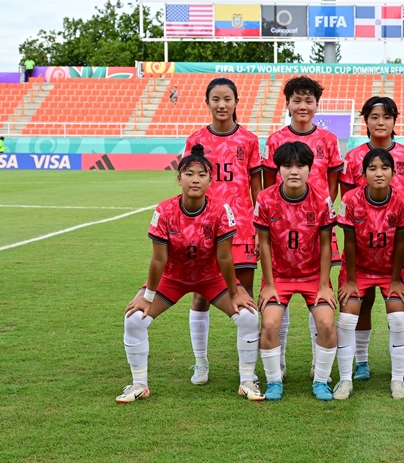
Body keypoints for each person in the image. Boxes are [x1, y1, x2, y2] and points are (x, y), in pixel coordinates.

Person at [116, 145, 262, 403]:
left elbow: (224, 257)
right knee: (134, 319)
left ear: (210, 180)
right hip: (172, 278)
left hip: (211, 277)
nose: (195, 179)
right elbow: (159, 258)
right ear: (179, 178)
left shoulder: (221, 210)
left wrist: (234, 292)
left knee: (249, 316)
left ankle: (247, 381)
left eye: (202, 174)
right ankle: (139, 384)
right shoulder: (164, 210)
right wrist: (147, 296)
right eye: (189, 174)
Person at [261, 76, 343, 379]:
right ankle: (278, 363)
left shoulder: (329, 140)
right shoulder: (275, 140)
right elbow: (268, 185)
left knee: (320, 294)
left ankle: (317, 364)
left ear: (317, 105)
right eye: (297, 100)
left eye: (309, 100)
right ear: (287, 104)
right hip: (281, 228)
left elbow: (333, 182)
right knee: (276, 303)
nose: (303, 106)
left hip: (316, 225)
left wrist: (321, 210)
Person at [339, 96, 404, 381]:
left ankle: (398, 363)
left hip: (397, 240)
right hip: (362, 243)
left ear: (394, 121)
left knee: (397, 301)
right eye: (374, 117)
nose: (380, 122)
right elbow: (349, 200)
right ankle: (361, 362)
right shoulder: (353, 157)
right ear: (365, 121)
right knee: (361, 302)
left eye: (387, 117)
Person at [183, 78, 262, 386]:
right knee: (200, 296)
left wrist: (260, 226)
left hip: (242, 228)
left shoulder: (249, 140)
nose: (221, 104)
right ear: (207, 103)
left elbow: (257, 189)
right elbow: (189, 186)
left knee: (245, 297)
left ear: (236, 102)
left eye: (227, 98)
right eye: (215, 99)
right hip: (204, 230)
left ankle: (248, 370)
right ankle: (201, 363)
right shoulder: (195, 140)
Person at [254, 141, 338, 401]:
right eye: (287, 165)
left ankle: (321, 380)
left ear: (310, 169)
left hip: (313, 277)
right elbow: (264, 243)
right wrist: (269, 284)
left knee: (327, 323)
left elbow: (326, 244)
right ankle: (274, 381)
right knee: (269, 324)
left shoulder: (321, 199)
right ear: (278, 169)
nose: (293, 171)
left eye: (300, 165)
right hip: (279, 277)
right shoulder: (265, 198)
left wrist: (324, 285)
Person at [334, 148, 404, 400]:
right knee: (347, 318)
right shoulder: (351, 199)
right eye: (372, 168)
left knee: (398, 317)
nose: (379, 173)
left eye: (384, 168)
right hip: (358, 270)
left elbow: (401, 243)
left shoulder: (402, 200)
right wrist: (350, 280)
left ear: (393, 172)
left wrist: (396, 279)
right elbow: (349, 242)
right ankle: (347, 379)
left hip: (389, 270)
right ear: (363, 173)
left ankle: (397, 380)